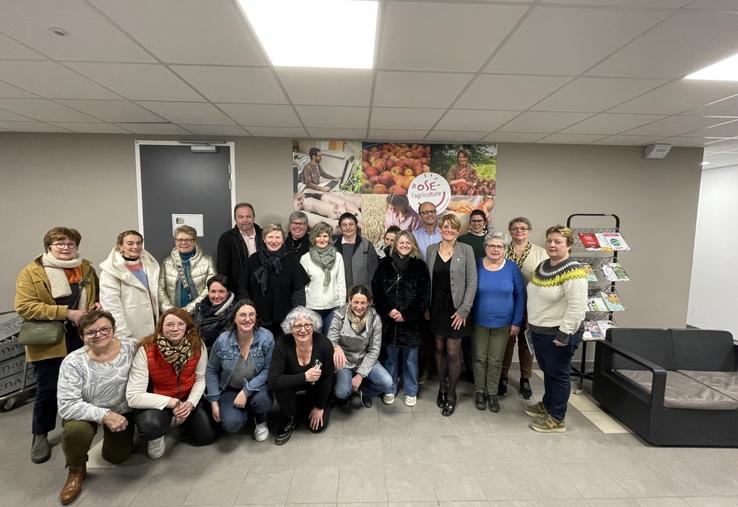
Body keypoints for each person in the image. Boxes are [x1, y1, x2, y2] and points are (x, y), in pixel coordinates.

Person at [15, 227, 101, 464]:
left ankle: (76, 429)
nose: (65, 247)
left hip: (81, 337)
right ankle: (40, 434)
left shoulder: (86, 268)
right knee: (49, 388)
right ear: (49, 247)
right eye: (60, 243)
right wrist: (67, 313)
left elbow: (95, 296)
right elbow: (25, 306)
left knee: (82, 384)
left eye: (70, 243)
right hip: (50, 340)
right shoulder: (32, 272)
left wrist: (95, 306)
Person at [56, 310, 136, 504]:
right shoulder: (73, 362)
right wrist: (105, 415)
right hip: (87, 412)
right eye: (91, 332)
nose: (99, 335)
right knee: (75, 431)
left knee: (116, 457)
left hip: (123, 411)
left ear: (114, 330)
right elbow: (67, 405)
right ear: (82, 336)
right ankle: (76, 470)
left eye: (104, 329)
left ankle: (119, 437)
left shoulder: (132, 347)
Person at [126, 308, 217, 458]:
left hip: (186, 397)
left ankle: (180, 421)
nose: (175, 328)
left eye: (181, 324)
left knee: (206, 436)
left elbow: (200, 379)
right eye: (169, 324)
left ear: (187, 326)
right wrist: (173, 403)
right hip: (159, 400)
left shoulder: (197, 345)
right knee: (150, 426)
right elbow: (133, 396)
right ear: (161, 326)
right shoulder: (147, 349)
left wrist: (190, 403)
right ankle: (157, 436)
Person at [525, 225, 588, 433]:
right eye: (550, 240)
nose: (552, 245)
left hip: (557, 334)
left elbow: (577, 306)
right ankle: (548, 404)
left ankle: (557, 418)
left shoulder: (574, 271)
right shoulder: (543, 266)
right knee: (548, 372)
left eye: (558, 242)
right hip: (539, 331)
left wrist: (564, 334)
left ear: (569, 245)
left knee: (559, 374)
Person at [426, 214, 477, 416]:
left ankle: (452, 393)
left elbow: (472, 282)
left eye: (453, 228)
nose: (449, 230)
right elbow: (427, 280)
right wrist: (426, 307)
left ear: (458, 231)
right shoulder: (431, 250)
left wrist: (464, 310)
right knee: (438, 347)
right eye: (446, 226)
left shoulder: (466, 250)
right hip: (436, 308)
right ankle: (442, 387)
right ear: (441, 228)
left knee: (453, 351)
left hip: (457, 310)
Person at [371, 231, 430, 407]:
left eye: (408, 243)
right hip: (389, 321)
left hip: (411, 322)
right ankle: (390, 388)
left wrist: (406, 314)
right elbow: (377, 290)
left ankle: (411, 390)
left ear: (412, 245)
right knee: (390, 358)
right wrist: (388, 311)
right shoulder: (384, 264)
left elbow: (423, 295)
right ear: (395, 244)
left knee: (411, 359)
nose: (404, 245)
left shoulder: (420, 266)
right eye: (401, 242)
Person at [472, 232, 525, 413]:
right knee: (480, 358)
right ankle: (480, 391)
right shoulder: (476, 265)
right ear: (485, 247)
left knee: (495, 360)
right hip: (479, 321)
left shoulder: (511, 268)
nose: (495, 249)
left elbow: (520, 296)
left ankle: (492, 392)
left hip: (503, 323)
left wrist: (517, 321)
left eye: (499, 246)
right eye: (492, 246)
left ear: (504, 249)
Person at [205, 300, 273, 439]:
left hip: (257, 387)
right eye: (242, 315)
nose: (247, 319)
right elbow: (211, 370)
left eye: (251, 315)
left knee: (263, 402)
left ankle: (260, 419)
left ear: (256, 317)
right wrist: (214, 401)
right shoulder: (222, 340)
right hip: (230, 389)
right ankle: (244, 411)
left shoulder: (266, 337)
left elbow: (268, 369)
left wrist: (246, 391)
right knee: (231, 424)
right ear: (234, 318)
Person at [267, 307, 335, 445]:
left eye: (307, 325)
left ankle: (318, 405)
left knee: (317, 427)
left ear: (313, 326)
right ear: (291, 328)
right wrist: (305, 377)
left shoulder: (324, 344)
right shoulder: (282, 344)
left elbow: (328, 377)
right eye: (297, 325)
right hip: (292, 386)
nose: (303, 330)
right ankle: (289, 417)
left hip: (317, 388)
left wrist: (319, 407)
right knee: (281, 386)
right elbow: (273, 381)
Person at [501, 217, 549, 399]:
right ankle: (503, 375)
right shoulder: (502, 250)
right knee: (506, 341)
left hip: (532, 305)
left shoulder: (541, 254)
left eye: (523, 228)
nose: (519, 231)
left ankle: (525, 378)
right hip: (507, 305)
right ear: (510, 231)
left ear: (529, 230)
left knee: (526, 342)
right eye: (514, 228)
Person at [238, 224, 309, 338]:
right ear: (264, 239)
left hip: (284, 322)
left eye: (277, 237)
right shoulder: (253, 260)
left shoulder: (291, 261)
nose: (274, 241)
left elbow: (298, 293)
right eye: (270, 237)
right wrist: (248, 312)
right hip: (255, 321)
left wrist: (295, 316)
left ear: (283, 240)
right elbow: (242, 288)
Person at [327, 286, 393, 408]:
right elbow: (331, 338)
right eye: (355, 302)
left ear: (369, 302)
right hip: (344, 360)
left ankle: (365, 392)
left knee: (387, 383)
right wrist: (336, 347)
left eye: (363, 303)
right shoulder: (339, 315)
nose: (359, 306)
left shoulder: (375, 319)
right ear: (349, 300)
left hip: (364, 358)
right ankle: (347, 393)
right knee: (341, 392)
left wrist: (360, 375)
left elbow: (374, 349)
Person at [99, 230, 160, 342]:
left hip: (154, 324)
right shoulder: (110, 270)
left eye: (139, 243)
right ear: (120, 246)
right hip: (130, 329)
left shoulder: (151, 265)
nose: (135, 247)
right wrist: (122, 334)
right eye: (130, 243)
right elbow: (111, 306)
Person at [158, 225, 216, 314]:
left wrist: (188, 310)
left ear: (194, 241)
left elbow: (211, 289)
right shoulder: (167, 262)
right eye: (180, 239)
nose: (183, 243)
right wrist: (170, 311)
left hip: (199, 313)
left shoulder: (207, 261)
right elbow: (160, 289)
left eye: (188, 239)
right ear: (175, 241)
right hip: (173, 315)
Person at [300, 222, 346, 332]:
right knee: (315, 342)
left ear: (330, 238)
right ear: (313, 238)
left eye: (325, 236)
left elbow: (341, 283)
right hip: (312, 308)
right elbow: (302, 287)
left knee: (331, 342)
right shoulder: (305, 259)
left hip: (333, 307)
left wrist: (342, 308)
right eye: (318, 236)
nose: (322, 239)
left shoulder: (338, 257)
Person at [216, 203, 264, 296]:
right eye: (241, 217)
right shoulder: (226, 238)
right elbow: (223, 270)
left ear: (254, 217)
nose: (245, 220)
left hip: (262, 288)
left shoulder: (264, 235)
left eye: (248, 216)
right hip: (238, 290)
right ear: (235, 219)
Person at [333, 212, 378, 293]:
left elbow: (374, 272)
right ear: (340, 227)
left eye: (351, 224)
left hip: (362, 295)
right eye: (344, 225)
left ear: (356, 225)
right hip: (339, 294)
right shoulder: (333, 247)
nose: (348, 227)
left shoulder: (367, 245)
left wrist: (369, 293)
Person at [193, 274, 237, 350]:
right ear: (208, 292)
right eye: (213, 291)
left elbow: (222, 344)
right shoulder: (200, 308)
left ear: (228, 293)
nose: (216, 296)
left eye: (221, 291)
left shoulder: (234, 313)